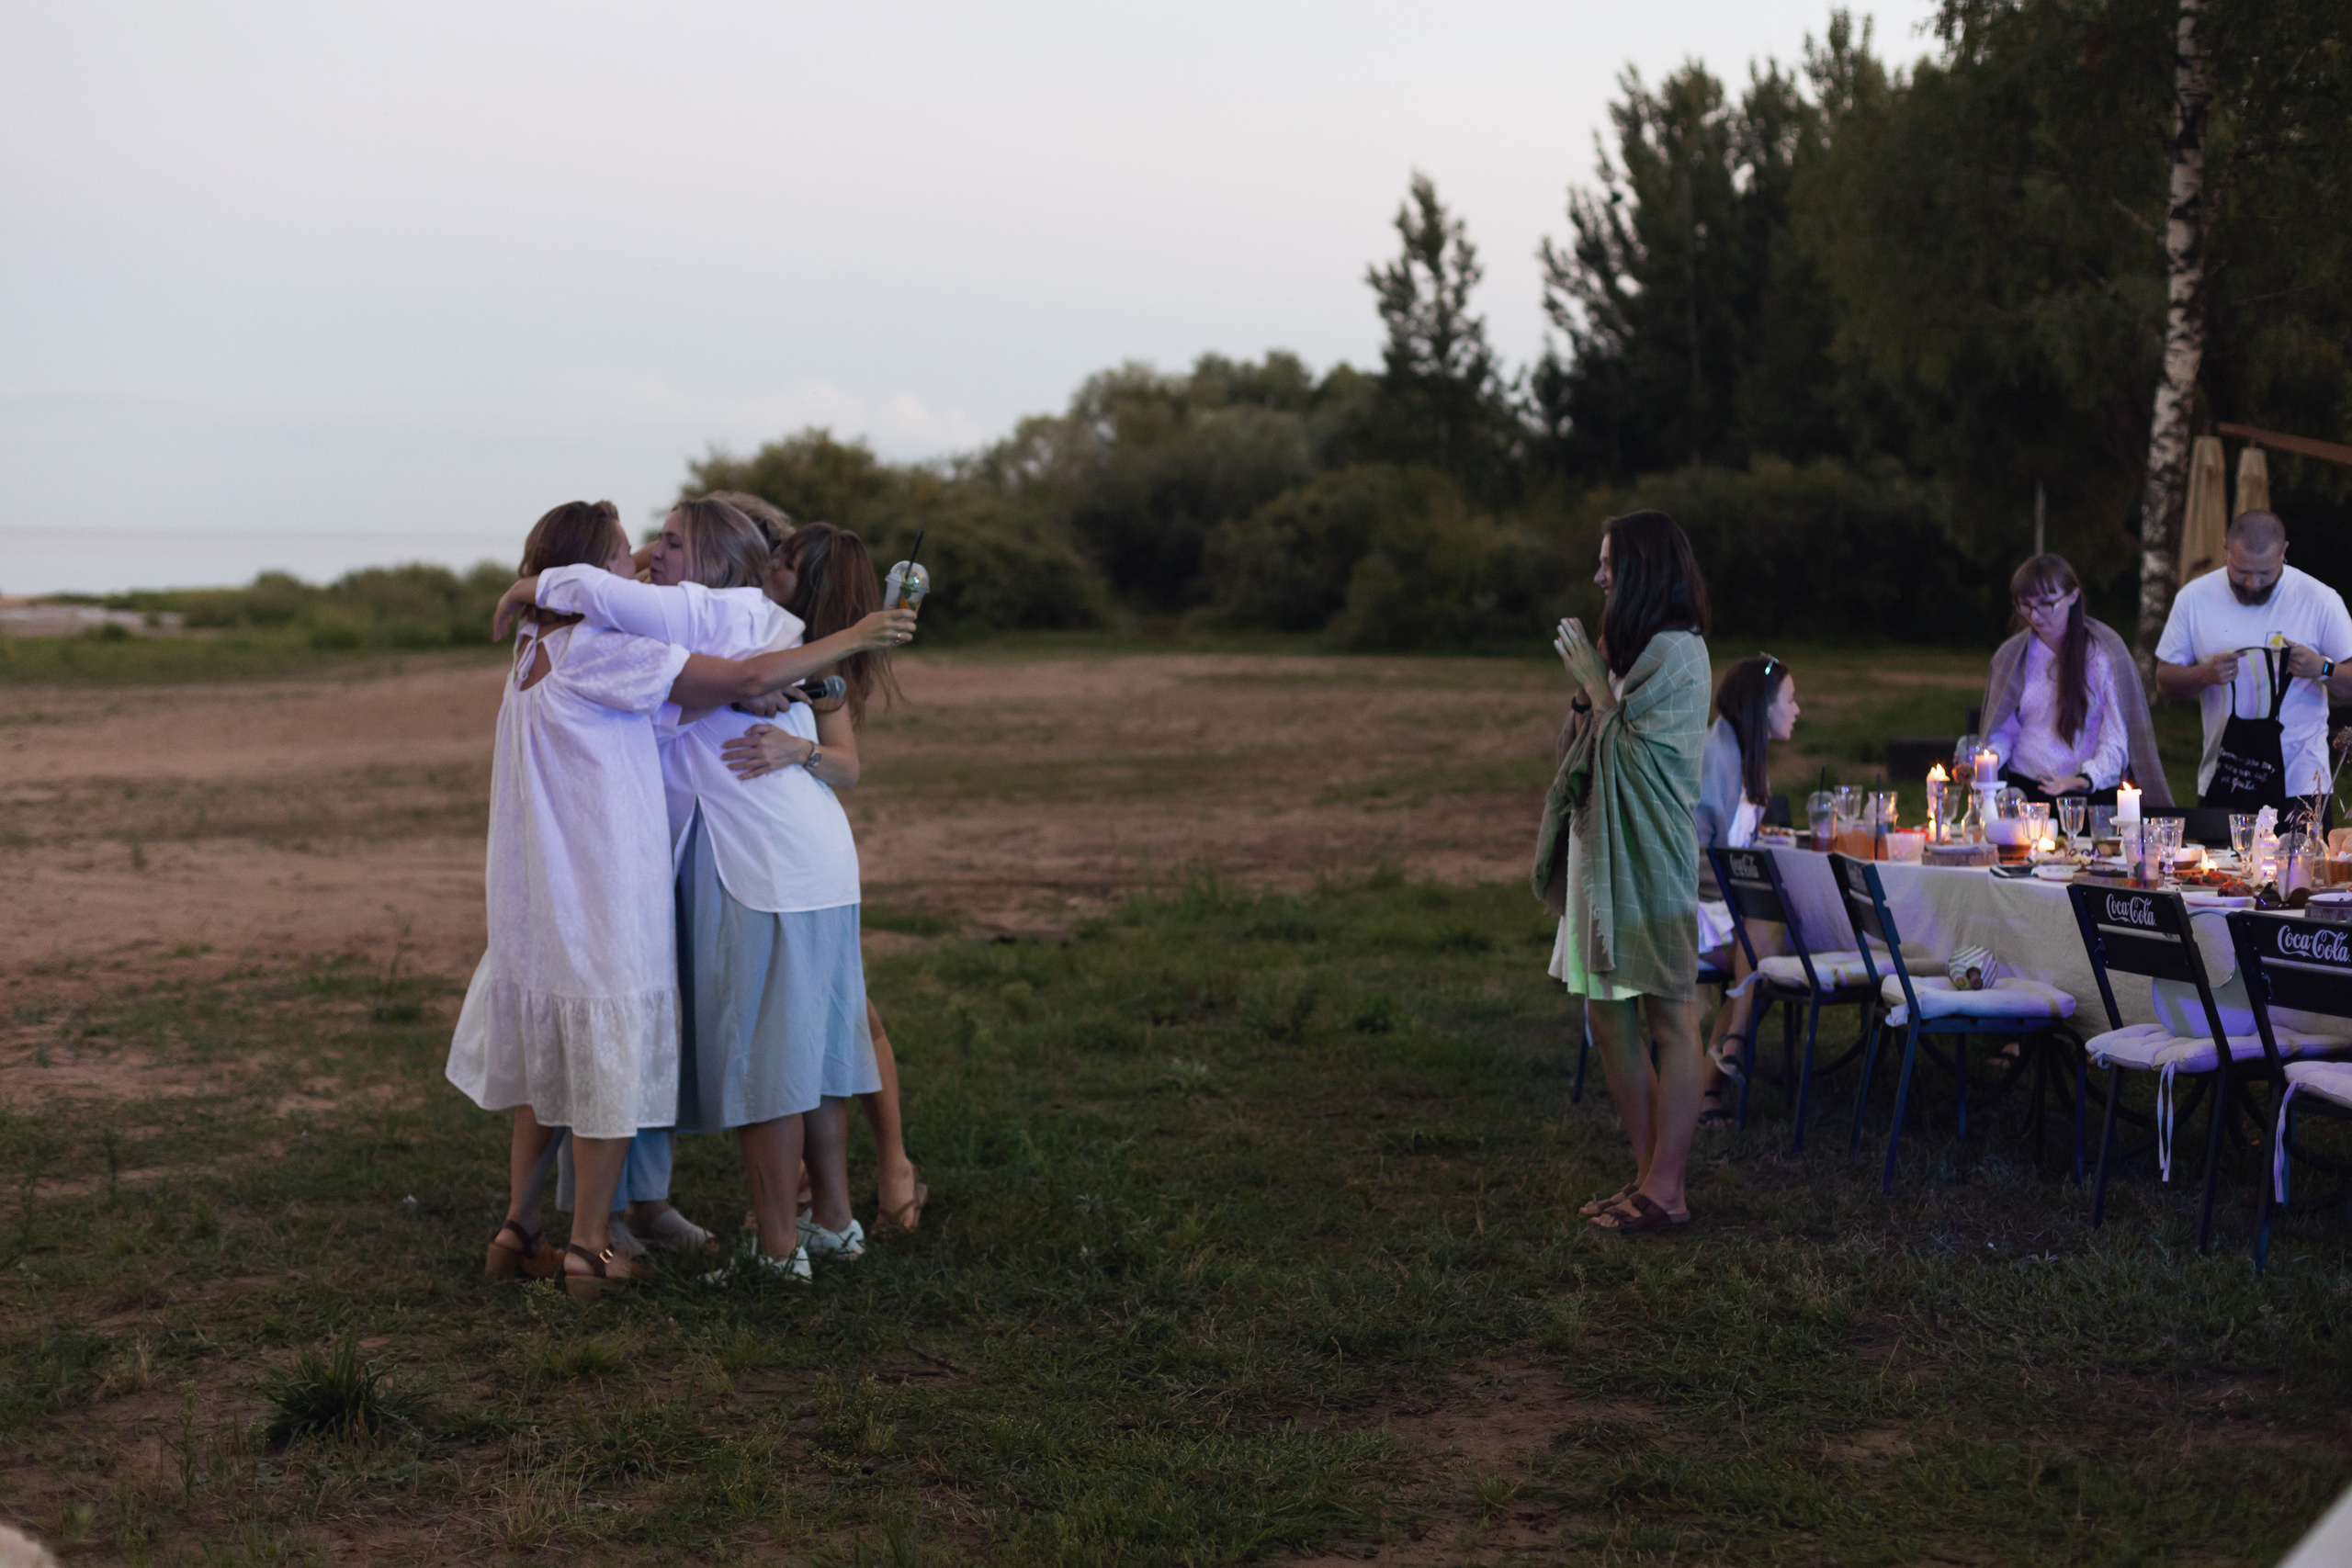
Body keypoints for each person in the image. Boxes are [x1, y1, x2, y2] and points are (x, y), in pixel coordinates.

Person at [454, 501, 912, 1300]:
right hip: (605, 883)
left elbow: (697, 696)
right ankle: (591, 1248)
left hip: (560, 891)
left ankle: (527, 1229)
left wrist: (536, 584)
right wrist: (809, 662)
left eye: (663, 545)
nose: (641, 561)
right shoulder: (615, 646)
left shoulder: (539, 642)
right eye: (632, 549)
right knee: (608, 1061)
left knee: (559, 1069)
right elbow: (722, 682)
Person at [727, 520, 927, 1233]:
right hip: (783, 863)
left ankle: (876, 1176)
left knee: (838, 1019)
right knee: (828, 1021)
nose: (768, 566)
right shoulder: (765, 638)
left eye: (784, 561)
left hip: (803, 869)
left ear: (807, 584)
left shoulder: (819, 669)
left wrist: (795, 751)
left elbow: (847, 764)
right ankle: (824, 1196)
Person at [1533, 510, 1713, 1234]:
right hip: (1598, 859)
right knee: (1607, 1018)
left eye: (1609, 562)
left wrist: (1597, 688)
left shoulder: (1679, 652)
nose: (1600, 575)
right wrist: (1585, 693)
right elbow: (1577, 757)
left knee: (1669, 1014)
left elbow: (1641, 761)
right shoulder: (1631, 648)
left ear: (1641, 568)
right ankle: (1650, 1180)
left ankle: (1667, 1187)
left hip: (1649, 859)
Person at [2155, 510, 2352, 818]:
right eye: (2241, 570)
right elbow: (2164, 680)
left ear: (2284, 551)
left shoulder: (2319, 600)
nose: (2252, 583)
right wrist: (2204, 674)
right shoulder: (2194, 599)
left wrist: (2323, 668)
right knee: (2217, 867)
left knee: (2304, 868)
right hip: (2225, 777)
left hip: (2301, 786)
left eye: (2265, 573)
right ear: (2225, 548)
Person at [1693, 654, 1799, 1124]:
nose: (1797, 710)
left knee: (1766, 938)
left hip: (1729, 906)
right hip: (1693, 908)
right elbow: (1688, 855)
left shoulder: (1748, 757)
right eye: (1790, 700)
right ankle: (1720, 1065)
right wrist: (1742, 875)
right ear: (1763, 708)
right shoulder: (1713, 757)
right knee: (1768, 946)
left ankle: (1719, 1064)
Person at [1979, 554, 2166, 807]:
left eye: (2046, 604)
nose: (2035, 616)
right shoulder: (2014, 655)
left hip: (2088, 795)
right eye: (2025, 605)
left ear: (2073, 596)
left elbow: (2116, 739)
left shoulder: (2103, 654)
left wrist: (2081, 779)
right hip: (2026, 795)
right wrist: (1987, 760)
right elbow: (2006, 730)